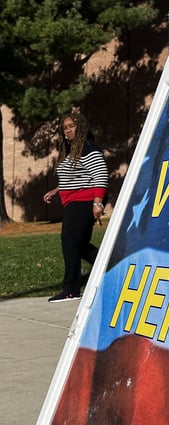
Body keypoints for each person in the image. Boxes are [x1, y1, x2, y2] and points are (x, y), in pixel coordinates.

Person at [43, 111, 108, 302]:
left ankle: (71, 289)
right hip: (73, 201)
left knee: (69, 242)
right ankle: (107, 266)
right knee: (78, 244)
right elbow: (74, 178)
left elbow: (100, 175)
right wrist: (56, 190)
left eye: (72, 126)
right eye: (65, 128)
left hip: (84, 202)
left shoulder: (88, 148)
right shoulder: (72, 150)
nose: (68, 131)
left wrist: (97, 203)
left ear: (81, 128)